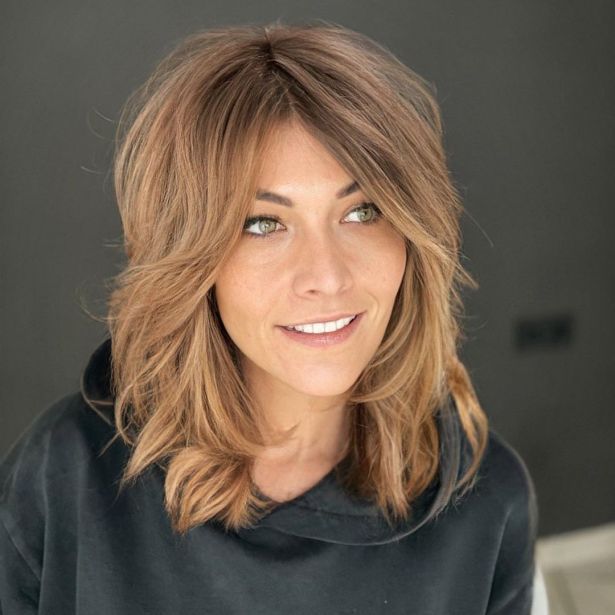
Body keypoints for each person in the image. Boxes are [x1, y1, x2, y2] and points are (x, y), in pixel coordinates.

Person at [0, 19, 543, 614]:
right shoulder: (64, 475)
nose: (327, 276)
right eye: (264, 224)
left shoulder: (487, 503)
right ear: (191, 258)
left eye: (362, 212)